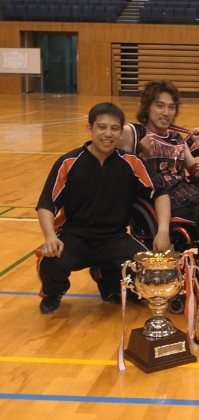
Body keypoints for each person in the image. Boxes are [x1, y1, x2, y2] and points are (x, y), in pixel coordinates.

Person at [36, 102, 171, 314]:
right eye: (102, 127)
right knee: (51, 261)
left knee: (148, 270)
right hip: (75, 236)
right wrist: (50, 236)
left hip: (115, 238)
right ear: (90, 129)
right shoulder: (68, 162)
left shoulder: (131, 162)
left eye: (114, 128)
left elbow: (160, 193)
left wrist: (163, 231)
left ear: (120, 133)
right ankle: (55, 291)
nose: (108, 134)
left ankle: (107, 281)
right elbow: (46, 204)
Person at [117, 80, 199, 264]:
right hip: (160, 201)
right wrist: (143, 156)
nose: (166, 113)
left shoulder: (177, 139)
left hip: (191, 196)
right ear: (147, 107)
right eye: (160, 106)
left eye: (171, 107)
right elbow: (121, 179)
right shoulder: (132, 132)